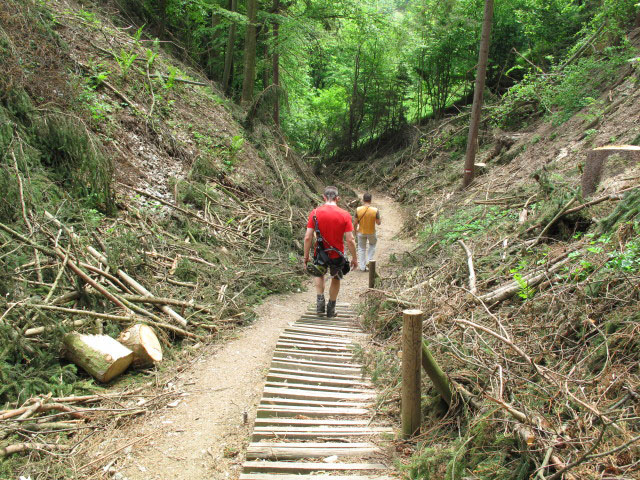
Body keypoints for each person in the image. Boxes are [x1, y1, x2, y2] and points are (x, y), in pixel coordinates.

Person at [303, 186, 358, 318]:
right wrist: (355, 258)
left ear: (324, 197)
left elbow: (308, 237)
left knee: (319, 274)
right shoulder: (345, 214)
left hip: (320, 252)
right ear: (337, 198)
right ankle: (331, 309)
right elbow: (350, 239)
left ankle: (320, 302)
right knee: (336, 277)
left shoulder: (315, 213)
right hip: (337, 254)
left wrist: (306, 257)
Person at [354, 192, 381, 271]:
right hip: (371, 232)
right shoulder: (375, 210)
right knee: (372, 245)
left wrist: (355, 231)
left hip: (361, 232)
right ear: (370, 200)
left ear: (363, 200)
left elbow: (355, 223)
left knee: (361, 249)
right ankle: (369, 261)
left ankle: (362, 267)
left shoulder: (358, 209)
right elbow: (378, 223)